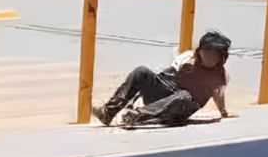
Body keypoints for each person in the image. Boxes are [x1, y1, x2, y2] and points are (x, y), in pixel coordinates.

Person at [93, 30, 232, 127]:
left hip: (182, 107)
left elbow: (219, 95)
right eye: (206, 52)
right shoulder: (187, 59)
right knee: (141, 71)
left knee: (185, 95)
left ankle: (138, 115)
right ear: (200, 51)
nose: (209, 57)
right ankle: (109, 112)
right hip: (165, 94)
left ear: (221, 56)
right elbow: (164, 79)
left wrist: (223, 111)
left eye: (214, 54)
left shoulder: (221, 75)